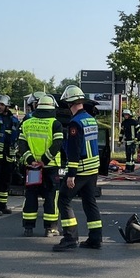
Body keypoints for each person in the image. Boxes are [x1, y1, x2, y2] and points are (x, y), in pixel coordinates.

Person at [53, 85, 103, 251]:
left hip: (81, 169)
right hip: (93, 168)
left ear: (70, 104)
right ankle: (95, 238)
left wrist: (71, 175)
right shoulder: (90, 119)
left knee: (63, 199)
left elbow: (75, 151)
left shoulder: (75, 123)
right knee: (90, 202)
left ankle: (70, 238)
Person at [18, 95, 63, 237]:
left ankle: (28, 228)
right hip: (50, 167)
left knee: (31, 195)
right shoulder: (55, 124)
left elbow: (21, 144)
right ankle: (50, 228)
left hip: (32, 168)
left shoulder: (27, 123)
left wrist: (31, 160)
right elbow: (57, 144)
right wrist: (45, 160)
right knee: (51, 196)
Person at [119, 109, 139, 173]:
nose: (126, 116)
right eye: (125, 115)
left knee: (130, 155)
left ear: (130, 115)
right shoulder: (124, 123)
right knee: (128, 155)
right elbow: (121, 132)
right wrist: (119, 140)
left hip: (133, 141)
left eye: (127, 115)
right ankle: (131, 167)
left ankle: (129, 168)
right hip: (127, 141)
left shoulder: (134, 122)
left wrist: (137, 138)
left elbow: (139, 130)